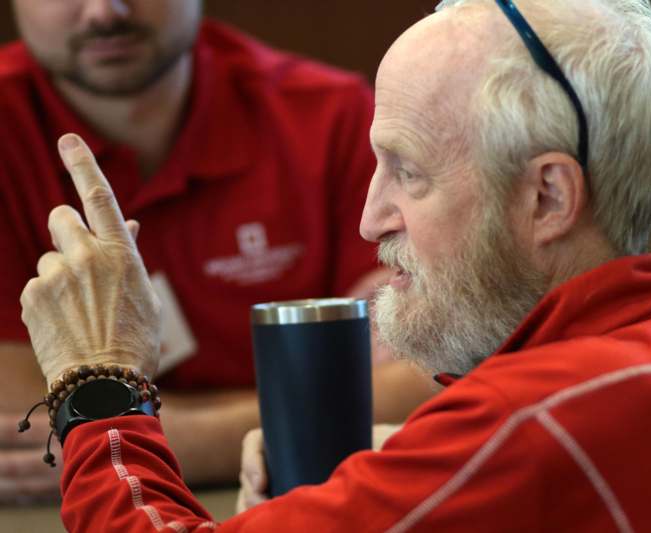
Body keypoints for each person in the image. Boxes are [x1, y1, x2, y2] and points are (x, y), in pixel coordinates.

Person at [19, 0, 651, 530]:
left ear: (548, 197)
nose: (370, 218)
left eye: (409, 171)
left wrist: (100, 379)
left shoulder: (533, 425)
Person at [0, 0, 434, 502]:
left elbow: (431, 372)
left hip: (287, 489)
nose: (105, 11)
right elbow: (18, 415)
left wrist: (166, 437)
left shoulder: (328, 115)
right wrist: (297, 412)